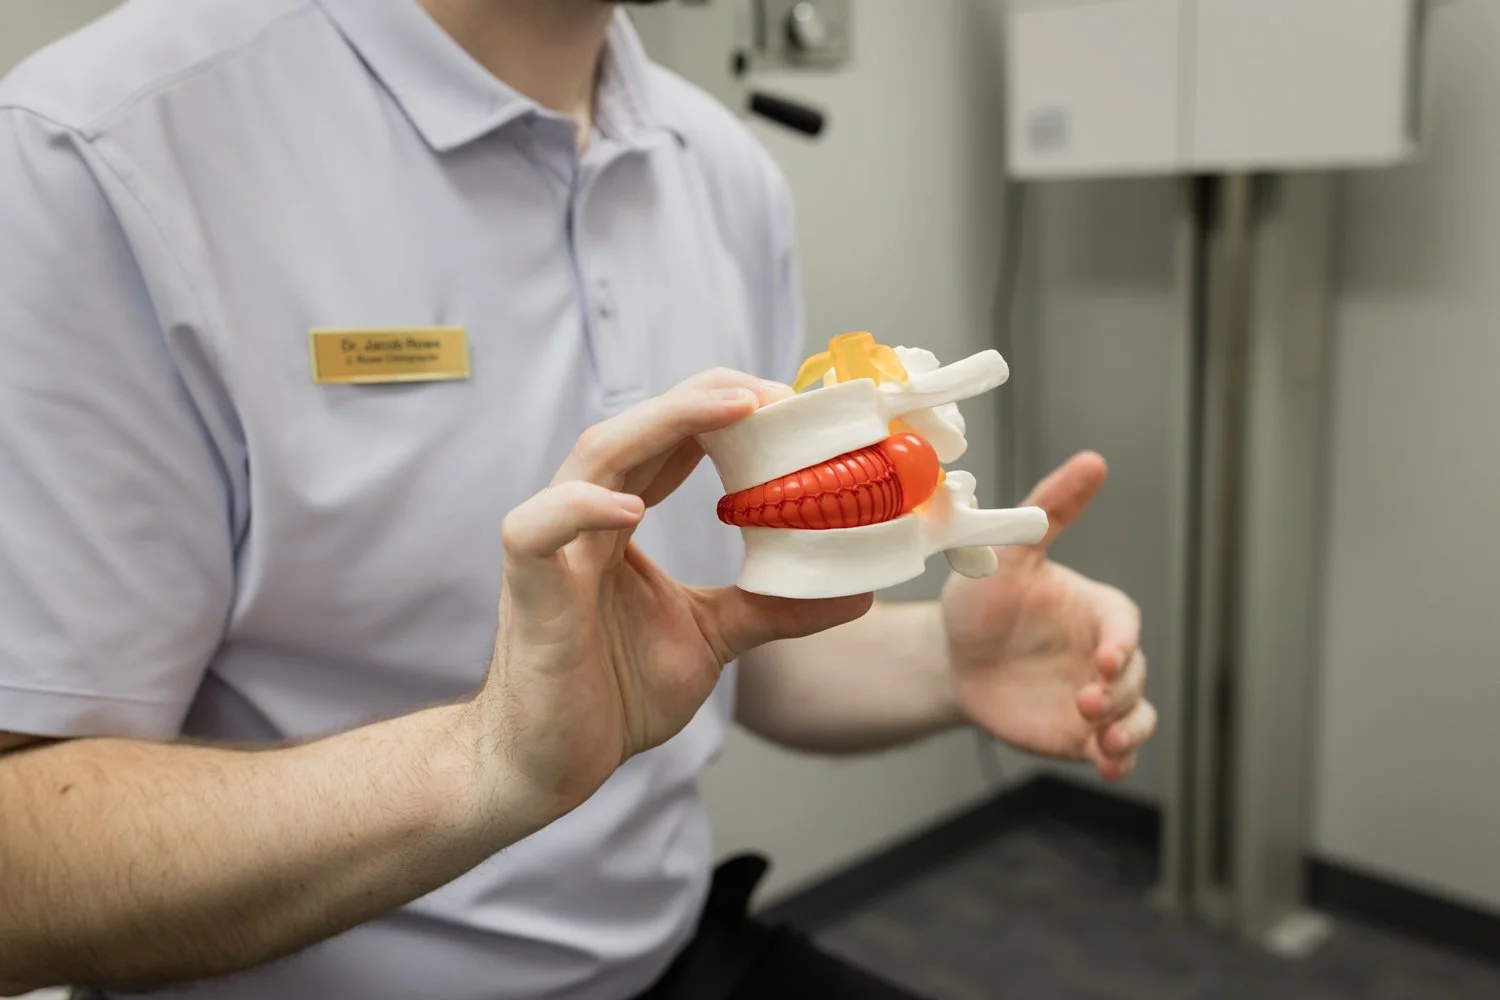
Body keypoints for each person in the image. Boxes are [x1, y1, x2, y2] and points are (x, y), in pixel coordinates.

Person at [0, 1, 1157, 998]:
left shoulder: (720, 172)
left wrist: (947, 663)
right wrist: (484, 765)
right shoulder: (99, 156)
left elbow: (724, 635)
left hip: (664, 958)